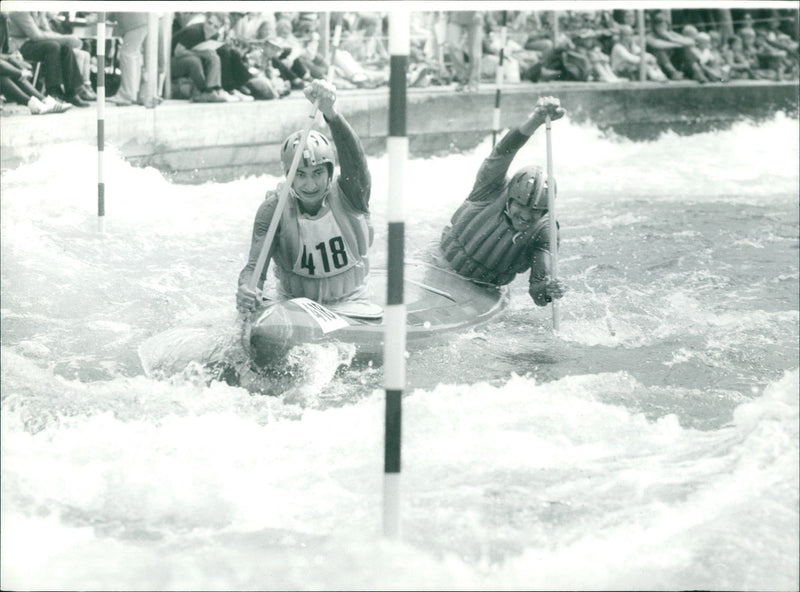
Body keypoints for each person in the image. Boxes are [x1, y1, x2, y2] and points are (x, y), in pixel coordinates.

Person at [236, 79, 374, 313]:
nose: (310, 184)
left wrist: (330, 112)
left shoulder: (351, 194)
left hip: (353, 302)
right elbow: (254, 268)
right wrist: (247, 289)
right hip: (296, 306)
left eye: (318, 172)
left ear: (330, 172)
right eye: (300, 175)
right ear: (288, 175)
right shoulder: (273, 210)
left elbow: (355, 158)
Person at [436, 97, 568, 307]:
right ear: (509, 199)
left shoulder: (545, 232)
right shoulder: (489, 187)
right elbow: (504, 150)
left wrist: (550, 291)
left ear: (544, 212)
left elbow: (538, 294)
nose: (526, 216)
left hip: (483, 289)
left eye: (535, 211)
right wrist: (536, 120)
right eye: (521, 206)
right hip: (438, 263)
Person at [6, 11, 94, 107]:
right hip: (19, 46)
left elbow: (47, 32)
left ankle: (71, 92)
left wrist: (65, 40)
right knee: (53, 46)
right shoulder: (19, 11)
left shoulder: (38, 11)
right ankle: (53, 92)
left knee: (65, 47)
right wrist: (66, 38)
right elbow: (36, 35)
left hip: (33, 44)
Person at [171, 12, 227, 102]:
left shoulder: (214, 36)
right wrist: (200, 54)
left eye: (215, 27)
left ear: (218, 30)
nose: (211, 28)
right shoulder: (195, 31)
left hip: (186, 58)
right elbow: (178, 52)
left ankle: (212, 90)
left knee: (214, 58)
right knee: (194, 61)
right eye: (209, 23)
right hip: (171, 62)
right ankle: (202, 91)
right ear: (205, 21)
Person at [108, 12, 148, 106]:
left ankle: (126, 95)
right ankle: (136, 93)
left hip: (134, 22)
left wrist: (96, 17)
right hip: (140, 20)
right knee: (135, 57)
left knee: (128, 55)